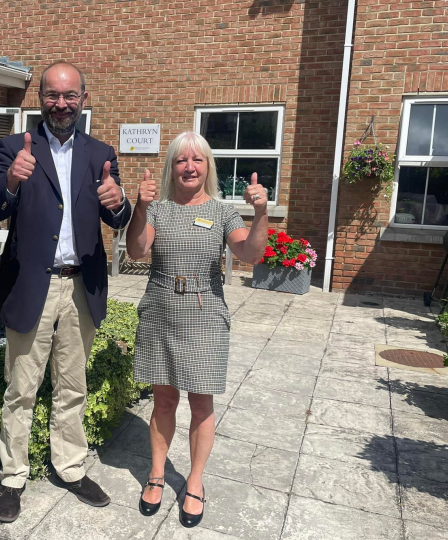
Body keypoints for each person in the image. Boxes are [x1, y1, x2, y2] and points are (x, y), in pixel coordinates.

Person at [0, 61, 131, 523]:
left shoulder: (100, 153)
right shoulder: (15, 146)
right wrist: (10, 181)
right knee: (21, 387)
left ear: (84, 99)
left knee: (72, 385)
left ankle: (68, 467)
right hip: (34, 284)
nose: (61, 104)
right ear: (40, 99)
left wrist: (120, 202)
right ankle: (13, 476)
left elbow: (117, 218)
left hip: (81, 287)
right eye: (52, 95)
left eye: (70, 96)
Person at [126, 131, 268, 528]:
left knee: (201, 404)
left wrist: (260, 214)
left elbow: (250, 252)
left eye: (197, 160)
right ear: (172, 167)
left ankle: (195, 481)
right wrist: (140, 205)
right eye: (181, 160)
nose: (189, 167)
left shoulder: (223, 211)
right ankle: (156, 474)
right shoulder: (158, 208)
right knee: (164, 401)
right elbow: (136, 251)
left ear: (208, 167)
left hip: (205, 315)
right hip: (160, 310)